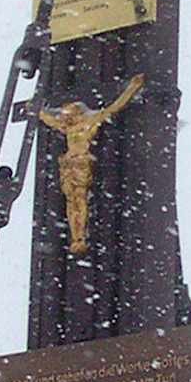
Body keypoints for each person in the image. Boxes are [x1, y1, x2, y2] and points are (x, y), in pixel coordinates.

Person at [38, 74, 146, 254]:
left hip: (80, 164)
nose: (64, 116)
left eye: (68, 112)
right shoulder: (66, 127)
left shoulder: (88, 123)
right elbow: (47, 119)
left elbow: (113, 108)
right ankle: (75, 236)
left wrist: (131, 89)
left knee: (79, 200)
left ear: (76, 111)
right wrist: (35, 109)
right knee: (71, 202)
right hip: (67, 166)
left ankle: (80, 236)